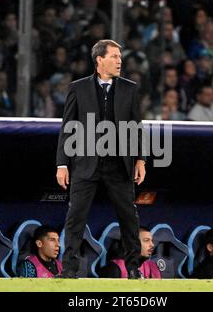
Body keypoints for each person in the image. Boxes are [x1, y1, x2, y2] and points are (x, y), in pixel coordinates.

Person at [56, 39, 146, 279]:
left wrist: (140, 159)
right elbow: (68, 128)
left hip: (119, 164)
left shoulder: (130, 88)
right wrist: (62, 163)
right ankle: (69, 270)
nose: (119, 61)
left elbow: (136, 126)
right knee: (75, 218)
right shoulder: (78, 88)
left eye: (120, 57)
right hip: (86, 164)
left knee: (129, 218)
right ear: (99, 60)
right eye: (114, 56)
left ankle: (134, 268)